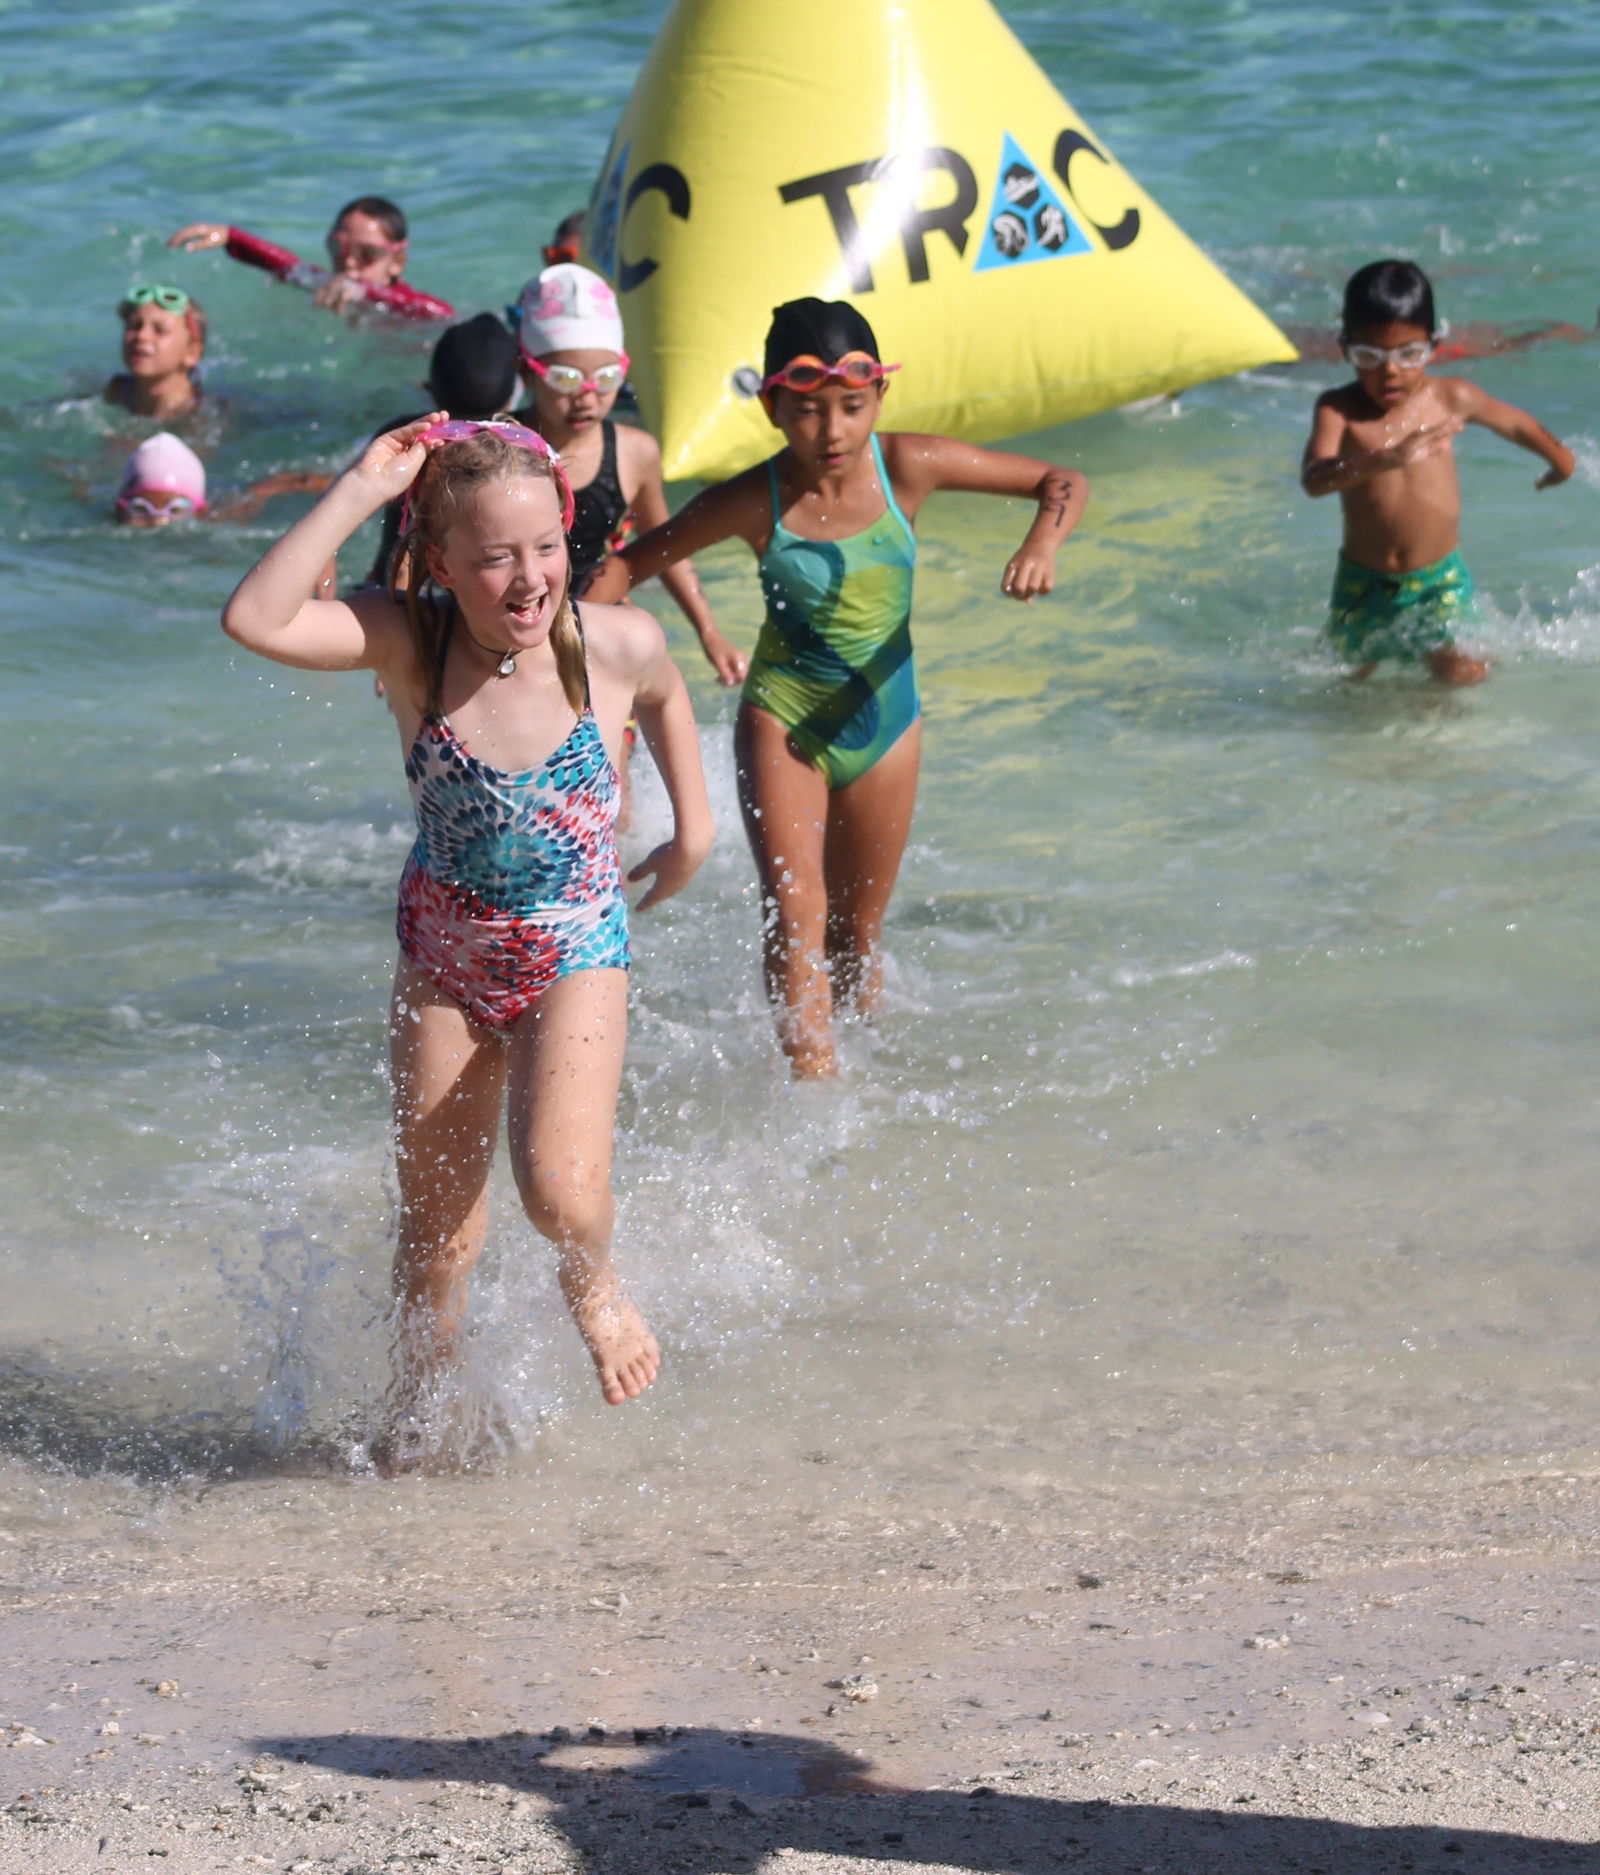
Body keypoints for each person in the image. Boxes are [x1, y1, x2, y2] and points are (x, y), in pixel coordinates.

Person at [220, 416, 714, 1467]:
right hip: (443, 957)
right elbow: (256, 619)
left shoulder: (608, 643)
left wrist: (695, 830)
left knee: (558, 1190)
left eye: (544, 547)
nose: (528, 577)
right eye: (493, 558)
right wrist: (362, 484)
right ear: (439, 563)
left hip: (575, 949)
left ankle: (591, 1278)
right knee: (436, 1236)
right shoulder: (411, 641)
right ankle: (424, 1405)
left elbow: (670, 693)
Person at [585, 297, 1089, 1081]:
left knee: (858, 931)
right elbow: (627, 565)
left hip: (889, 724)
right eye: (809, 411)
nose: (833, 432)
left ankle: (868, 1080)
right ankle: (813, 1094)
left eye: (853, 408)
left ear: (879, 398)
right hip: (784, 722)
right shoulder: (754, 498)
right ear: (772, 408)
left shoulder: (909, 467)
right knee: (797, 916)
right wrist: (556, 632)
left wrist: (1042, 543)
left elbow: (1062, 479)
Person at [1301, 259, 1575, 684]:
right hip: (1362, 583)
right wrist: (1386, 458)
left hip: (1439, 580)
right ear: (1344, 348)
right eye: (1369, 355)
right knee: (1344, 682)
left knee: (1462, 676)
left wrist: (1561, 462)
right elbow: (1315, 479)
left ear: (1434, 345)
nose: (1390, 370)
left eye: (1409, 354)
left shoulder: (1451, 397)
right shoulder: (1338, 410)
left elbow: (1518, 423)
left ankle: (1445, 751)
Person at [512, 264, 740, 682]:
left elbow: (667, 544)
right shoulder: (498, 446)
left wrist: (710, 633)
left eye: (606, 378)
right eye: (566, 379)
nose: (587, 397)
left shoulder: (635, 453)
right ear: (527, 370)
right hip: (512, 632)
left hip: (599, 631)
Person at [364, 312, 522, 587]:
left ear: (430, 390)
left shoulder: (404, 435)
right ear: (511, 399)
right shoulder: (519, 447)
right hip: (473, 599)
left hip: (388, 593)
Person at [167, 195, 454, 322]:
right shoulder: (330, 285)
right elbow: (291, 268)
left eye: (368, 254)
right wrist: (232, 236)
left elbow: (445, 316)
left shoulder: (413, 308)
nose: (349, 263)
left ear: (398, 261)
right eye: (338, 249)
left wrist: (365, 293)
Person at [114, 431, 333, 535]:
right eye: (141, 509)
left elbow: (264, 490)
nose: (158, 520)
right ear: (120, 509)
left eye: (176, 509)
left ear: (201, 511)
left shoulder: (218, 525)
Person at [105, 285, 207, 423]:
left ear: (192, 353)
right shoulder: (115, 391)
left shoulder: (200, 414)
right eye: (135, 326)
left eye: (160, 330)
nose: (141, 335)